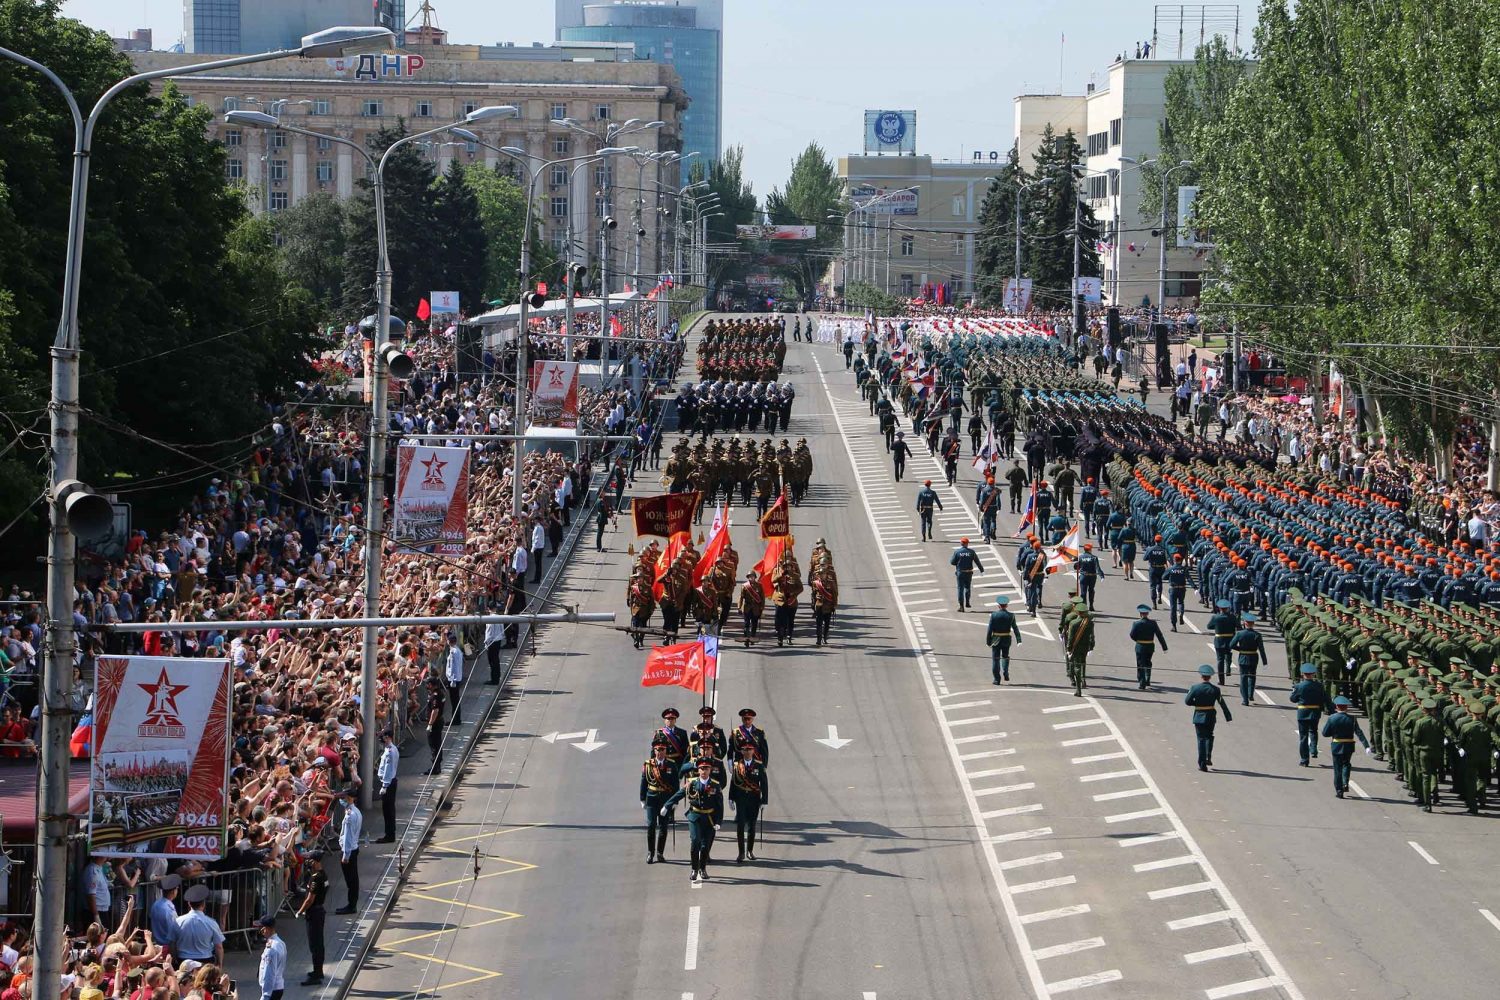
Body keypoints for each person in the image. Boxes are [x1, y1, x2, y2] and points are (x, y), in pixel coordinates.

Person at [662, 759, 724, 882]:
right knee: (695, 841)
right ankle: (694, 869)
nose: (704, 771)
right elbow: (679, 794)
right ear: (698, 770)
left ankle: (703, 869)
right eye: (701, 769)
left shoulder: (715, 785)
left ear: (710, 770)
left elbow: (719, 806)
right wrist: (667, 805)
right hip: (695, 816)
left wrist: (718, 822)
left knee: (705, 845)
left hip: (709, 818)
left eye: (706, 769)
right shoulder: (692, 783)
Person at [1321, 696, 1371, 798]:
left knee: (1337, 768)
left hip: (1337, 745)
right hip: (1349, 745)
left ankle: (1339, 790)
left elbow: (1325, 733)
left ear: (1337, 707)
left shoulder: (1332, 718)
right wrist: (1366, 745)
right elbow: (1359, 732)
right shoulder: (1352, 719)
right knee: (1346, 764)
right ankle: (1345, 783)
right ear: (1346, 708)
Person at [1185, 664, 1233, 771]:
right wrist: (1228, 716)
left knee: (1201, 739)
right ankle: (1207, 756)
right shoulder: (1216, 689)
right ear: (1210, 677)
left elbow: (1187, 701)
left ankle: (1202, 764)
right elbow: (1222, 703)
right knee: (1209, 736)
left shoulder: (1195, 688)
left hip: (1199, 715)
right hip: (1211, 716)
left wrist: (1197, 703)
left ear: (1201, 676)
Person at [728, 742, 769, 862]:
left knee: (752, 826)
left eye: (750, 750)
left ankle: (750, 851)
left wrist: (764, 800)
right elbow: (733, 783)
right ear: (741, 751)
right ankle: (741, 852)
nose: (747, 752)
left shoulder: (759, 766)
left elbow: (764, 784)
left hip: (754, 799)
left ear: (753, 751)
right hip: (740, 799)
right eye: (745, 750)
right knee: (740, 825)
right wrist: (731, 798)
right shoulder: (738, 766)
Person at [640, 737, 678, 863]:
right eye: (657, 750)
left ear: (666, 750)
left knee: (664, 827)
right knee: (651, 825)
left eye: (662, 750)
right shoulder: (648, 764)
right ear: (654, 750)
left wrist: (674, 802)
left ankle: (660, 852)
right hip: (651, 799)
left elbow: (675, 785)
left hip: (665, 800)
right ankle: (650, 852)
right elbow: (644, 782)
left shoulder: (671, 764)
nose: (660, 752)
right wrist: (642, 799)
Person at [1289, 663, 1334, 767]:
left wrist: (1293, 690)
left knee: (1303, 737)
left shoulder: (1299, 686)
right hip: (1315, 712)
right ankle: (1313, 749)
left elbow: (1293, 699)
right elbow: (1326, 699)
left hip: (1303, 713)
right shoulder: (1319, 686)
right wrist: (1332, 710)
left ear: (1303, 674)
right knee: (1313, 731)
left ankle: (1305, 759)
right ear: (1313, 674)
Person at [294, 851, 329, 985]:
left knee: (315, 944)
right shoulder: (323, 874)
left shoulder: (316, 877)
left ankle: (317, 974)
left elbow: (309, 899)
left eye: (309, 859)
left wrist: (300, 911)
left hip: (314, 913)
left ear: (315, 861)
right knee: (318, 943)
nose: (307, 862)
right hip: (319, 911)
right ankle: (318, 970)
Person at [174, 884, 225, 969]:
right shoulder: (211, 923)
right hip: (205, 960)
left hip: (183, 960)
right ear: (203, 904)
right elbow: (219, 946)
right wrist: (220, 964)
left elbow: (172, 943)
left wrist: (175, 958)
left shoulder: (178, 921)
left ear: (189, 904)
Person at [1128, 604, 1168, 690]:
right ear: (1147, 614)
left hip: (1140, 646)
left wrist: (1138, 640)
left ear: (1140, 614)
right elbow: (1159, 635)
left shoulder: (1136, 623)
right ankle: (1148, 679)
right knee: (1148, 662)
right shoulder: (1153, 623)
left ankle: (1142, 682)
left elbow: (1132, 635)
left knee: (1140, 664)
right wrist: (1164, 647)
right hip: (1150, 646)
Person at [1230, 614, 1267, 706]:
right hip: (1254, 657)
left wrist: (1241, 649)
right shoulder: (1257, 635)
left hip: (1243, 657)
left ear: (1244, 623)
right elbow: (1261, 649)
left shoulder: (1240, 634)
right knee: (1252, 676)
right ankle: (1251, 694)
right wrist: (1264, 661)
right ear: (1253, 623)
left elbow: (1231, 645)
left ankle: (1245, 700)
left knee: (1243, 679)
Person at [985, 594, 1022, 685]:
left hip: (996, 640)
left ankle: (997, 679)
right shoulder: (1011, 616)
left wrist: (988, 641)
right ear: (1007, 605)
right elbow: (1015, 628)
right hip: (1006, 639)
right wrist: (1019, 640)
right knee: (1005, 656)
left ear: (998, 605)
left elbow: (989, 630)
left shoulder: (994, 615)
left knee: (995, 659)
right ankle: (1005, 672)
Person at [336, 787, 362, 914]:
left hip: (349, 851)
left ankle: (351, 906)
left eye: (343, 798)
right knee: (353, 879)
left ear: (350, 798)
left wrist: (345, 855)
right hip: (353, 849)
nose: (342, 800)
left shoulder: (350, 816)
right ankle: (352, 904)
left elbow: (347, 837)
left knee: (351, 880)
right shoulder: (355, 811)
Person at [1062, 597, 1095, 696]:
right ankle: (1083, 679)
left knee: (1076, 666)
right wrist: (1091, 646)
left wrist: (1068, 649)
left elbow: (1071, 638)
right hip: (1085, 647)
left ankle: (1078, 689)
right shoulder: (1090, 623)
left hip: (1076, 647)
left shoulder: (1073, 623)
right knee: (1083, 662)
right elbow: (1092, 636)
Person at [253, 913, 286, 1000]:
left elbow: (269, 973)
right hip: (277, 987)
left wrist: (266, 995)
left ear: (266, 928)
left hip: (272, 990)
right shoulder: (280, 943)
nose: (260, 930)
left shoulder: (271, 949)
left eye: (261, 928)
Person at [148, 874, 180, 958]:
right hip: (167, 949)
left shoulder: (156, 904)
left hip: (157, 945)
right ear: (173, 891)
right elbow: (173, 933)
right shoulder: (169, 910)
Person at [950, 537, 986, 612]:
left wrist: (959, 562)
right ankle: (967, 602)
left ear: (961, 543)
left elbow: (952, 562)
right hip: (969, 572)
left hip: (960, 572)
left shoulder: (957, 552)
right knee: (967, 587)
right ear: (967, 544)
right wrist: (982, 570)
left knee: (960, 589)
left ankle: (961, 606)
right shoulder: (971, 552)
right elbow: (977, 561)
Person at [1207, 598, 1236, 685]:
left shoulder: (1215, 617)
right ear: (1227, 608)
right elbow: (1237, 626)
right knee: (1228, 653)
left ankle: (1222, 680)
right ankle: (1228, 666)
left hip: (1219, 640)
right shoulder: (1232, 617)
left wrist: (1216, 627)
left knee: (1220, 660)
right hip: (1230, 639)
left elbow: (1209, 626)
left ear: (1219, 608)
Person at [376, 730, 398, 842]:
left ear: (387, 737)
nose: (381, 739)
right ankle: (389, 834)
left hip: (388, 783)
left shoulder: (390, 751)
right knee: (388, 810)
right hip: (389, 782)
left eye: (382, 737)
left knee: (388, 810)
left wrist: (384, 786)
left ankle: (390, 835)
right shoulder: (389, 749)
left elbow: (388, 771)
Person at [425, 677, 446, 775]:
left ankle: (435, 768)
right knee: (437, 744)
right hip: (439, 721)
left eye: (428, 684)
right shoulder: (440, 693)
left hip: (435, 723)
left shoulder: (435, 695)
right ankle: (437, 767)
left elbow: (435, 710)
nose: (427, 686)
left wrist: (430, 724)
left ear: (432, 685)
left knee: (434, 745)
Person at [737, 571, 764, 644]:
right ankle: (746, 638)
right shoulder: (745, 586)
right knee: (746, 624)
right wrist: (739, 607)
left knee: (754, 624)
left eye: (752, 576)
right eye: (749, 576)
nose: (751, 578)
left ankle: (752, 637)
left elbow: (762, 598)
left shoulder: (759, 585)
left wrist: (761, 608)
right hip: (747, 607)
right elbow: (741, 597)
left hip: (756, 608)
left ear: (755, 577)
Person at [1164, 554, 1189, 630]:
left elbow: (1163, 577)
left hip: (1173, 589)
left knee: (1173, 607)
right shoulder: (1184, 569)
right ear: (1181, 560)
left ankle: (1174, 625)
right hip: (1182, 588)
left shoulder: (1171, 569)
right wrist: (1194, 587)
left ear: (1174, 560)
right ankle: (1181, 614)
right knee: (1181, 602)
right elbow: (1189, 578)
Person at [444, 633, 465, 726]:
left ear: (449, 641)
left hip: (454, 680)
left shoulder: (453, 652)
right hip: (457, 678)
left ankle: (455, 720)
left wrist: (452, 680)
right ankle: (457, 719)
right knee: (455, 700)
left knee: (454, 700)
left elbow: (453, 667)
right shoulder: (457, 650)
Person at [1076, 543, 1103, 610]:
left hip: (1083, 576)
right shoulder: (1094, 557)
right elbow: (1097, 568)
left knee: (1083, 592)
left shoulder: (1080, 557)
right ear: (1090, 549)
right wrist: (1101, 575)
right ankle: (1091, 605)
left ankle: (1083, 606)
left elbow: (1076, 567)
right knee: (1091, 590)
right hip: (1092, 576)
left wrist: (1076, 562)